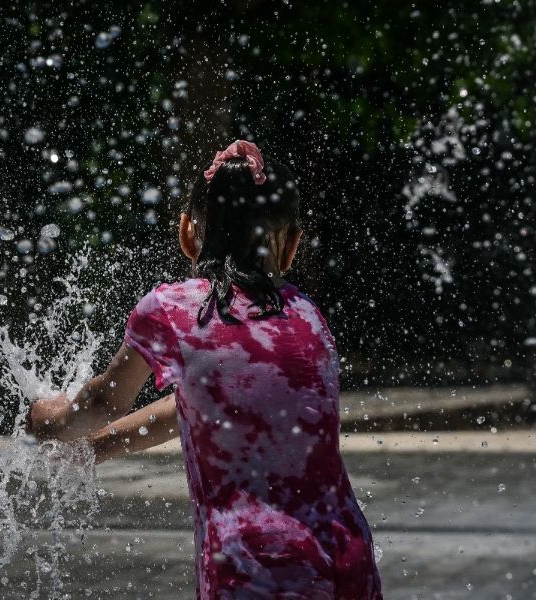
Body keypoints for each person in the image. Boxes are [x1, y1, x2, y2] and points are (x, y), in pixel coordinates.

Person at [28, 140, 383, 599]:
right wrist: (99, 447)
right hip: (347, 561)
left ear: (186, 233)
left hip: (253, 567)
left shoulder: (172, 310)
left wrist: (50, 422)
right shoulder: (307, 317)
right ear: (292, 245)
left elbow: (102, 402)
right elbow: (211, 405)